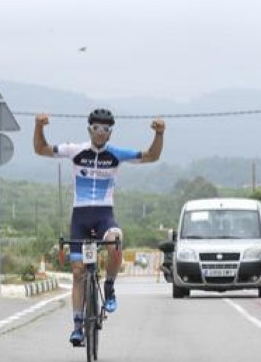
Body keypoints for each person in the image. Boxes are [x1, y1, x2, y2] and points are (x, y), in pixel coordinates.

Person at [34, 107, 164, 347]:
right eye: (96, 128)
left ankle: (110, 285)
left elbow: (151, 156)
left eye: (106, 129)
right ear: (89, 130)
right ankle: (77, 326)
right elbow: (41, 149)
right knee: (77, 272)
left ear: (110, 133)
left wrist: (159, 134)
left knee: (115, 242)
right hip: (80, 218)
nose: (101, 133)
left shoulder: (115, 154)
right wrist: (39, 126)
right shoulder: (76, 151)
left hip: (104, 216)